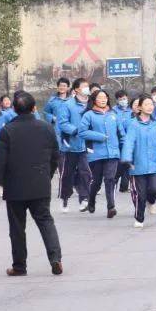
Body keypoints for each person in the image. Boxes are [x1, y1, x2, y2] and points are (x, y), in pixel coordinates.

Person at [0, 91, 63, 277]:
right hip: (40, 182)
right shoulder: (46, 128)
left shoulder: (8, 130)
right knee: (46, 222)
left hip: (15, 187)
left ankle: (19, 266)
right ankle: (55, 259)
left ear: (14, 109)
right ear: (34, 107)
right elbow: (55, 156)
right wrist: (47, 174)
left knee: (17, 228)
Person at [121, 95, 156, 228]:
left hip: (154, 164)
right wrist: (127, 159)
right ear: (139, 107)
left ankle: (151, 201)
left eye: (151, 104)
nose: (150, 106)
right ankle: (139, 218)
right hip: (138, 164)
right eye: (147, 104)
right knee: (140, 195)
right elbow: (129, 142)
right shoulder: (133, 124)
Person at [78, 89, 124, 218]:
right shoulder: (89, 115)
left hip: (113, 153)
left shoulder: (113, 114)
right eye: (100, 97)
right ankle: (91, 199)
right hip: (96, 154)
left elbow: (121, 134)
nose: (103, 99)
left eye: (105, 97)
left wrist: (125, 148)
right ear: (94, 100)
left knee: (110, 179)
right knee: (97, 181)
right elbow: (82, 132)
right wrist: (99, 136)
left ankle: (111, 207)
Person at [56, 78, 93, 213]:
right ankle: (64, 198)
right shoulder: (67, 105)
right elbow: (63, 123)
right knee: (68, 175)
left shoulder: (91, 104)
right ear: (76, 89)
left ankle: (85, 198)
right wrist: (76, 130)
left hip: (86, 146)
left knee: (86, 172)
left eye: (87, 86)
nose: (86, 89)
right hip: (70, 146)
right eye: (84, 86)